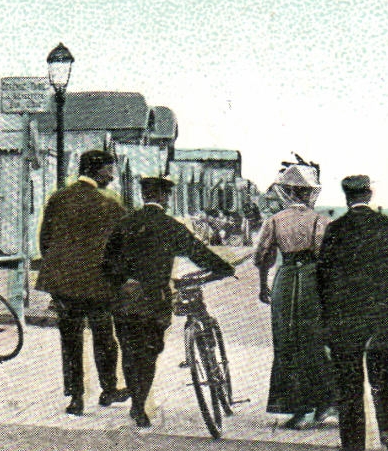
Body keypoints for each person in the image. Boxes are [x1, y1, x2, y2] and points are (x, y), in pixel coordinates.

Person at [102, 175, 235, 427]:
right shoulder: (170, 226)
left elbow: (107, 263)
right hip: (155, 298)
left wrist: (121, 283)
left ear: (144, 195)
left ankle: (136, 405)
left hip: (124, 299)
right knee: (149, 352)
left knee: (129, 351)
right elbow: (198, 252)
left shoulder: (124, 224)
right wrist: (223, 268)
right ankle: (141, 403)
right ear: (164, 197)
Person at [318, 175, 388, 451]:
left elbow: (322, 278)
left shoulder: (335, 230)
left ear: (347, 197)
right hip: (382, 315)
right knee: (385, 375)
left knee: (348, 378)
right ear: (369, 195)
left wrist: (327, 317)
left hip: (345, 317)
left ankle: (353, 440)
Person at [37, 149, 127, 416]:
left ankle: (75, 397)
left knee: (71, 340)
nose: (111, 175)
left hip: (65, 285)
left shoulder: (58, 199)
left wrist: (60, 272)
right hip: (98, 285)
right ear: (97, 170)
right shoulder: (109, 204)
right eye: (109, 169)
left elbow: (45, 241)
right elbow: (124, 244)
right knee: (104, 337)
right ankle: (109, 389)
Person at [254, 160, 335, 429]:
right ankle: (325, 402)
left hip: (286, 280)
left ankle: (298, 408)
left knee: (287, 342)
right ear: (310, 193)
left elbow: (263, 256)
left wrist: (262, 284)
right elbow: (327, 257)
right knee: (315, 341)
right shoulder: (320, 221)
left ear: (286, 192)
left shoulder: (275, 221)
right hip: (312, 281)